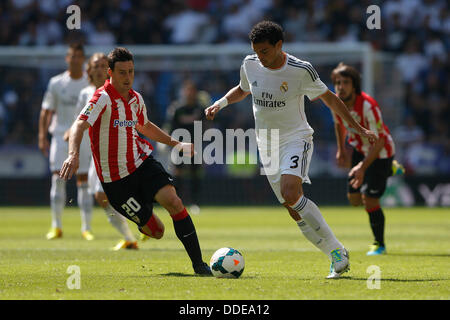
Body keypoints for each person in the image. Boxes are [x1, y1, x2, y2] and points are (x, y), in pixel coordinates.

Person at [205, 21, 377, 279]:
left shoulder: (300, 70)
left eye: (265, 51)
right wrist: (220, 103)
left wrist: (357, 127)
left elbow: (330, 98)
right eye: (256, 50)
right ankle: (335, 253)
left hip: (296, 138)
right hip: (267, 143)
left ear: (279, 45)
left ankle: (338, 252)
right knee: (292, 206)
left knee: (291, 192)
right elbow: (243, 90)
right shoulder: (249, 63)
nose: (260, 57)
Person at [60, 47, 212, 275]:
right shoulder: (101, 99)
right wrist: (73, 154)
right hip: (116, 181)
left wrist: (176, 144)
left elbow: (144, 126)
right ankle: (145, 215)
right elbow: (79, 125)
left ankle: (200, 265)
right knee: (157, 231)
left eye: (131, 71)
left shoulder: (136, 99)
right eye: (122, 72)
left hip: (141, 164)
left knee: (174, 201)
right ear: (110, 73)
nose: (128, 77)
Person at [330, 62, 403, 256]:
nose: (340, 87)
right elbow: (339, 125)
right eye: (337, 83)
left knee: (369, 200)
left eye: (345, 82)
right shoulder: (335, 101)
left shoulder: (368, 105)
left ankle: (379, 244)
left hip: (381, 152)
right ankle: (389, 170)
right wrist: (341, 150)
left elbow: (378, 141)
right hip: (359, 149)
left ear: (354, 85)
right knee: (354, 200)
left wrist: (362, 168)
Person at [71, 52, 138, 250]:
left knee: (106, 194)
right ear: (89, 70)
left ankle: (143, 224)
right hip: (95, 152)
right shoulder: (86, 93)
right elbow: (79, 120)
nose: (99, 69)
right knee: (101, 196)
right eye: (96, 66)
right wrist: (70, 133)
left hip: (115, 152)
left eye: (102, 66)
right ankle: (132, 234)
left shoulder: (117, 92)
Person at [38, 43, 93, 240]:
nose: (76, 59)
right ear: (67, 58)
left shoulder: (90, 84)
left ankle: (86, 228)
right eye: (72, 56)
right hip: (60, 137)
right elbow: (46, 110)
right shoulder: (56, 83)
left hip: (84, 138)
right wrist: (42, 136)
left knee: (84, 181)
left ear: (83, 59)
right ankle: (56, 226)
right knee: (57, 179)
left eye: (79, 56)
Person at [164, 79, 207, 214]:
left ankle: (195, 203)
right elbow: (169, 128)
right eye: (187, 90)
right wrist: (173, 145)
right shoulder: (177, 109)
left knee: (195, 173)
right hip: (179, 146)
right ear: (184, 92)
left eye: (192, 90)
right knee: (178, 174)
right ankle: (177, 203)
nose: (190, 93)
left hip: (195, 146)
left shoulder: (200, 109)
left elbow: (205, 127)